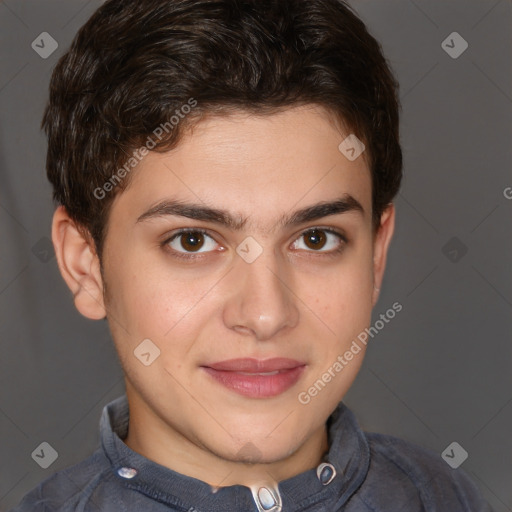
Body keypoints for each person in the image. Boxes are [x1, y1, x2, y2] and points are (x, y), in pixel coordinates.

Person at [11, 0, 493, 510]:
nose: (265, 314)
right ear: (86, 265)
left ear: (375, 256)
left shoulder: (445, 496)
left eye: (315, 238)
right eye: (192, 241)